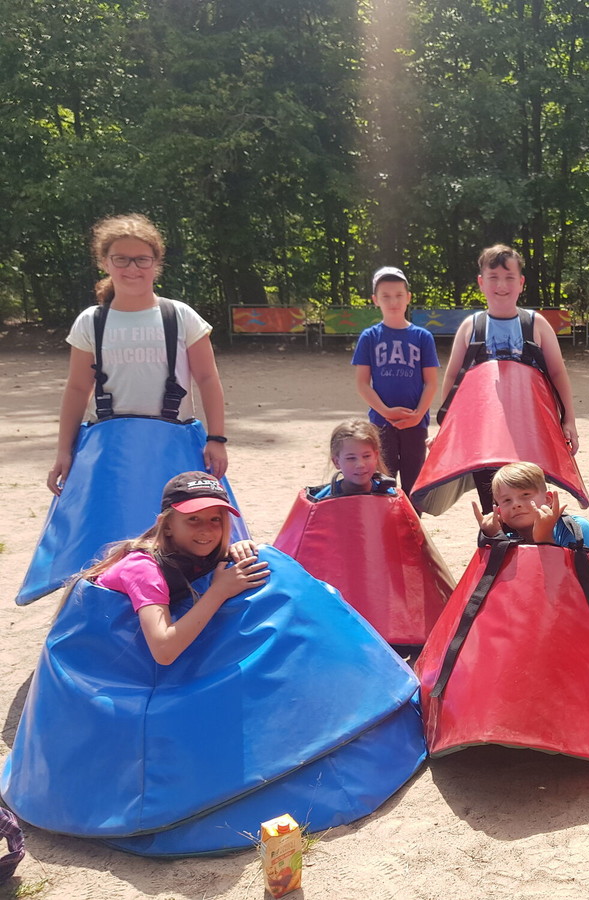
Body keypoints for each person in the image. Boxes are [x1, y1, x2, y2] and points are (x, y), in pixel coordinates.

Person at [48, 214, 230, 494]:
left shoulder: (181, 316)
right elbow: (77, 388)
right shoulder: (90, 321)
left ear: (156, 263)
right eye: (121, 259)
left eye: (142, 259)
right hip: (107, 450)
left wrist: (216, 438)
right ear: (105, 262)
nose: (132, 268)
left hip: (174, 445)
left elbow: (207, 378)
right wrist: (64, 450)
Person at [81, 472, 269, 666]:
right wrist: (219, 591)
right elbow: (164, 652)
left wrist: (236, 551)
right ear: (167, 525)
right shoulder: (143, 568)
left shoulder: (195, 553)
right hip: (98, 665)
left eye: (215, 519)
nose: (206, 529)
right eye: (193, 518)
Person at [439, 245, 580, 453]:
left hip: (532, 430)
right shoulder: (470, 327)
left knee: (528, 476)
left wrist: (569, 421)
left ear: (521, 283)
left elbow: (557, 373)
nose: (501, 285)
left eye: (509, 277)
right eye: (493, 277)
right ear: (481, 283)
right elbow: (453, 376)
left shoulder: (537, 325)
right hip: (482, 432)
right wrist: (447, 425)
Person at [352, 267, 439, 497]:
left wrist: (418, 415)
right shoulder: (369, 337)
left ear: (408, 297)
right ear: (375, 300)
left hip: (415, 424)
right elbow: (362, 383)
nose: (393, 301)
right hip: (381, 424)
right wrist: (385, 411)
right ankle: (386, 521)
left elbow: (431, 383)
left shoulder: (422, 337)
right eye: (386, 296)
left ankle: (413, 521)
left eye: (399, 295)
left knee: (415, 485)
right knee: (383, 484)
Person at [475, 462, 589, 549]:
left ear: (548, 499)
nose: (516, 504)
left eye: (525, 495)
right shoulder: (508, 542)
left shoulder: (576, 530)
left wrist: (544, 539)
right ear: (499, 511)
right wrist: (494, 538)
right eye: (507, 500)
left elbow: (582, 577)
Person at [311, 418, 398, 500]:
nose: (360, 464)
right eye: (351, 458)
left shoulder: (390, 497)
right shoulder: (321, 501)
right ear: (336, 462)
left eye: (366, 456)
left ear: (375, 457)